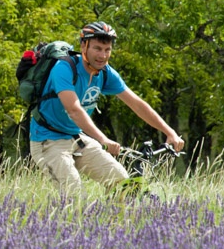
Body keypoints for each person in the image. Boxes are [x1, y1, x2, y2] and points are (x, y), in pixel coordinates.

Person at [29, 21, 184, 193]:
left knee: (124, 185)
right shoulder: (64, 68)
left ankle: (118, 220)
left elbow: (137, 104)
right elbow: (74, 110)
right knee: (72, 195)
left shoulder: (105, 73)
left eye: (107, 50)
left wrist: (169, 132)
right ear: (83, 46)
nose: (102, 55)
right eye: (97, 48)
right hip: (48, 140)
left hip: (76, 138)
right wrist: (103, 139)